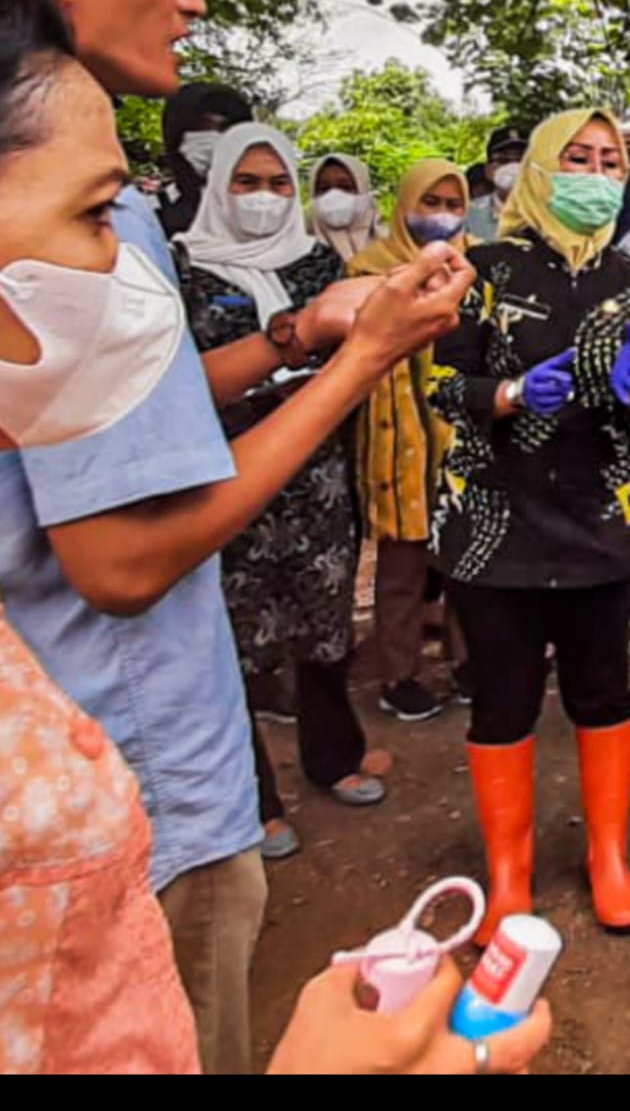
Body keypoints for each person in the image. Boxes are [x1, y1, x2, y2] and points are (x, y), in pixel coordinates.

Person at [0, 0, 547, 1077]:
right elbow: (122, 560)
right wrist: (359, 358)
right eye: (99, 213)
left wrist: (305, 334)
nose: (120, 261)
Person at [429, 108, 630, 941]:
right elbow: (439, 382)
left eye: (611, 162)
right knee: (503, 700)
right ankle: (509, 876)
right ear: (539, 168)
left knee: (603, 693)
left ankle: (608, 858)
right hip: (493, 523)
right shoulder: (483, 269)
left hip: (600, 521)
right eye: (578, 157)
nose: (595, 175)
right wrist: (505, 394)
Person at [177, 124, 387, 864]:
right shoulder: (186, 269)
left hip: (317, 478)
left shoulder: (314, 268)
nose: (264, 200)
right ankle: (256, 799)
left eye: (276, 184)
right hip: (227, 478)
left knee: (324, 630)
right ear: (218, 189)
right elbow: (180, 381)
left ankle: (335, 757)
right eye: (247, 183)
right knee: (232, 643)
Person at [350, 159, 474, 725]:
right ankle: (400, 675)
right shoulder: (368, 271)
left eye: (453, 204)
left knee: (466, 565)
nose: (443, 217)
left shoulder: (477, 270)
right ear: (404, 206)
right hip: (395, 445)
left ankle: (470, 664)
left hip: (462, 445)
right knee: (401, 573)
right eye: (431, 203)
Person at [156, 81, 253, 238]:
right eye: (202, 127)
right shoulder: (147, 212)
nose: (214, 138)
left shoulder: (262, 211)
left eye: (225, 129)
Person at [308, 152, 384, 264]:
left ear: (363, 192)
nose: (334, 195)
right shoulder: (296, 255)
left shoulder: (395, 249)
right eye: (323, 188)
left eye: (346, 187)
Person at [465, 124, 528, 243]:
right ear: (488, 170)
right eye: (503, 160)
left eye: (522, 161)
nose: (513, 167)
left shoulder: (555, 213)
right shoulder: (468, 215)